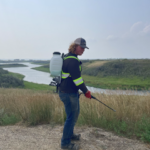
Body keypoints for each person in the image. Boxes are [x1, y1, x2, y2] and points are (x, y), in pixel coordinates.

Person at [59, 38, 91, 150]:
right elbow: (78, 80)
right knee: (72, 117)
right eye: (81, 47)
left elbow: (73, 79)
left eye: (84, 48)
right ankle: (65, 144)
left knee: (71, 116)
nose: (83, 50)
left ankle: (70, 135)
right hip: (69, 94)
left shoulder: (68, 57)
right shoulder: (73, 61)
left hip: (66, 92)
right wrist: (86, 91)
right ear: (75, 46)